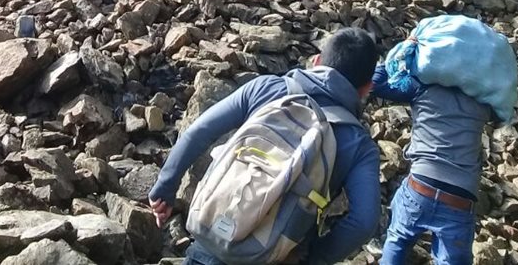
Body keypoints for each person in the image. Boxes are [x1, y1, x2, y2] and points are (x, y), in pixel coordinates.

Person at [148, 28, 382, 265]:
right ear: (366, 88)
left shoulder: (266, 87)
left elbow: (198, 131)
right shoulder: (360, 145)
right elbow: (364, 221)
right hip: (277, 254)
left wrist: (165, 188)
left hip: (215, 239)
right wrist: (315, 258)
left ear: (317, 61)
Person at [372, 53, 497, 264]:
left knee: (398, 239)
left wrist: (396, 56)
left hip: (420, 188)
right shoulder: (483, 102)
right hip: (460, 200)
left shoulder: (422, 87)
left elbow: (375, 84)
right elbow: (504, 110)